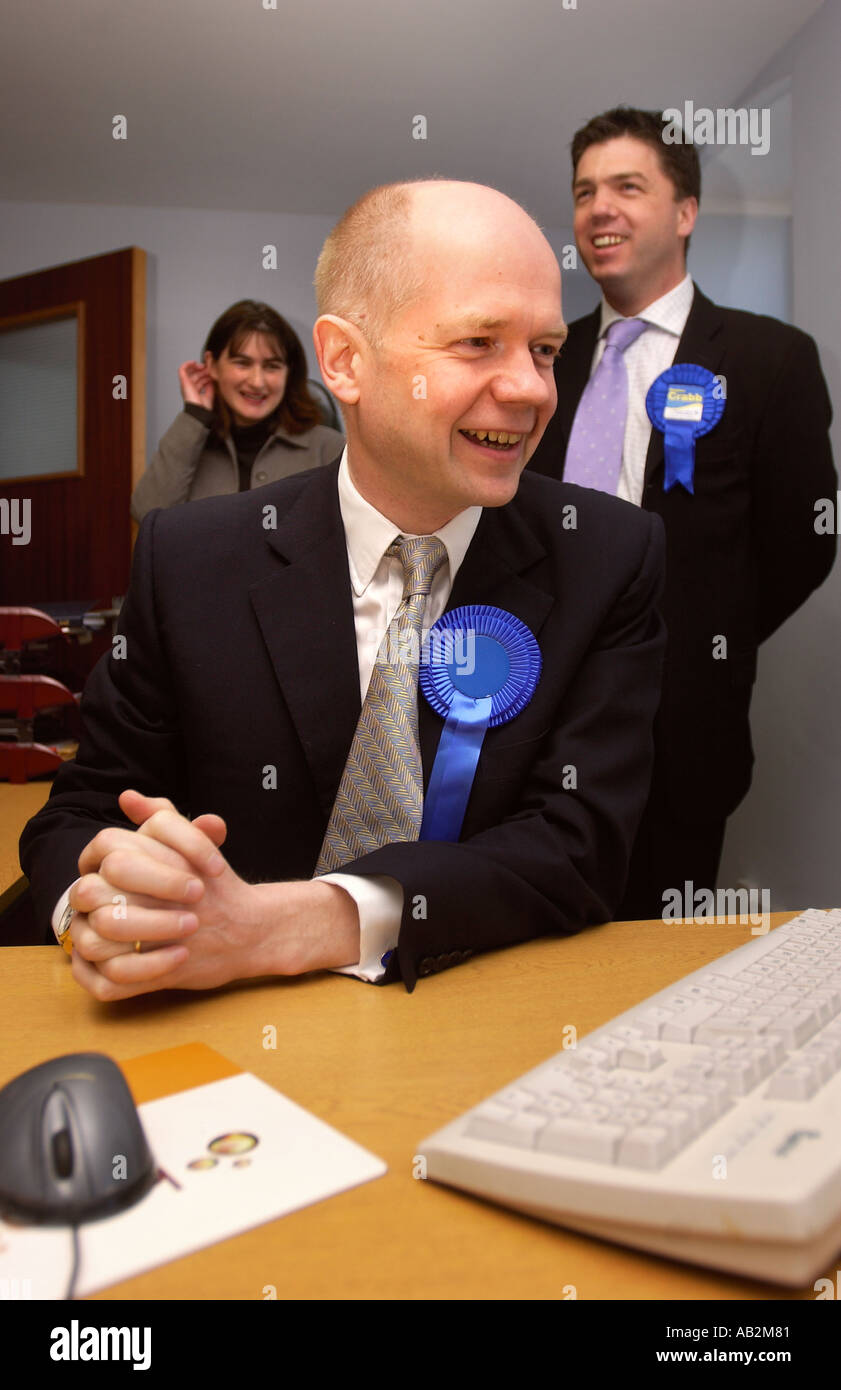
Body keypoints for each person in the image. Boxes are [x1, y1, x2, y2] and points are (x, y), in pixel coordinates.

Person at [20, 179, 666, 1001]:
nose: (534, 389)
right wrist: (101, 904)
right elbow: (78, 813)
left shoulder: (608, 555)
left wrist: (281, 927)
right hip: (217, 1042)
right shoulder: (190, 559)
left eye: (543, 349)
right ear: (345, 361)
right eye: (477, 343)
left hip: (485, 1031)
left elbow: (580, 847)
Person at [529, 106, 837, 921]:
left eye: (627, 186)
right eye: (584, 191)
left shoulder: (771, 359)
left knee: (659, 968)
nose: (599, 209)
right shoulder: (540, 362)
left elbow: (802, 542)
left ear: (685, 212)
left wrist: (700, 634)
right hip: (532, 721)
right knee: (530, 941)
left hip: (681, 732)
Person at [131, 300, 345, 522]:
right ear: (211, 365)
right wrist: (195, 415)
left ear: (289, 373)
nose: (257, 382)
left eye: (272, 366)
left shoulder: (330, 448)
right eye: (242, 363)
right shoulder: (190, 444)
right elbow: (147, 514)